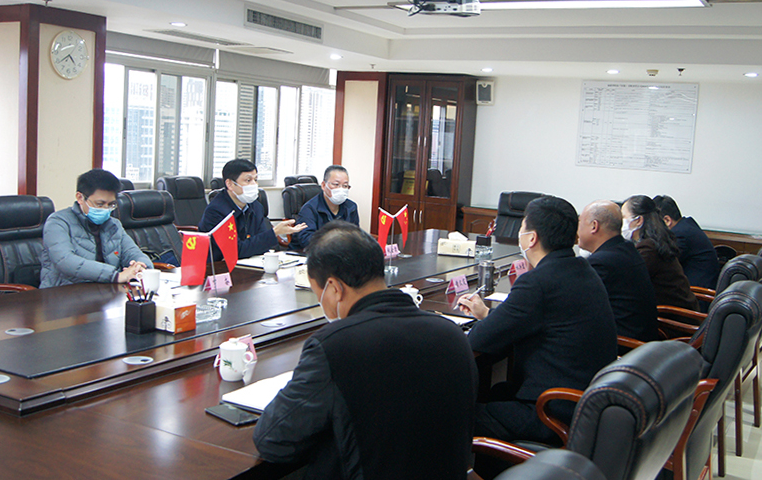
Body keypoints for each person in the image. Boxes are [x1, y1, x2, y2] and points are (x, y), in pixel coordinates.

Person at [254, 221, 478, 479]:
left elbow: (273, 440)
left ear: (334, 288)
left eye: (319, 295)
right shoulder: (452, 334)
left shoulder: (334, 346)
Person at [459, 196, 616, 446]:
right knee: (497, 392)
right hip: (582, 404)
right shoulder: (583, 269)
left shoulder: (538, 282)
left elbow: (478, 340)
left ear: (531, 238)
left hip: (550, 413)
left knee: (451, 415)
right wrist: (488, 315)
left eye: (521, 227)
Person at [40, 169, 152, 288]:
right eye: (100, 204)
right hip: (63, 292)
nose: (105, 209)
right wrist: (115, 276)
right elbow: (65, 261)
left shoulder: (114, 225)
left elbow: (133, 252)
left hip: (106, 291)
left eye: (111, 204)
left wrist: (140, 266)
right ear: (80, 198)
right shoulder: (58, 222)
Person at [577, 200, 659, 342]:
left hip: (625, 345)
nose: (576, 230)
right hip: (641, 340)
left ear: (594, 226)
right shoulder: (626, 249)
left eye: (579, 223)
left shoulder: (601, 262)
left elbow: (577, 307)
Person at [199, 159, 306, 260]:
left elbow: (263, 244)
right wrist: (274, 233)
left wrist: (263, 241)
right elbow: (235, 251)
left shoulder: (255, 206)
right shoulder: (216, 211)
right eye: (248, 180)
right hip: (219, 267)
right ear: (230, 184)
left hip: (251, 262)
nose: (254, 184)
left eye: (255, 179)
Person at [621, 195, 699, 311]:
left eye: (623, 217)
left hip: (674, 317)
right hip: (680, 309)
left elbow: (628, 281)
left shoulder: (649, 248)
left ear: (638, 220)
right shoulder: (656, 241)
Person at [653, 195, 720, 290]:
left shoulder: (680, 235)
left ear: (667, 220)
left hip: (698, 293)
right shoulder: (686, 226)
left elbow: (663, 267)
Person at [289, 165, 359, 251]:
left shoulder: (351, 207)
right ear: (323, 185)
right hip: (307, 254)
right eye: (336, 184)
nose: (341, 189)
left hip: (339, 253)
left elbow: (355, 235)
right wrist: (337, 243)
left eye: (345, 186)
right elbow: (307, 240)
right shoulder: (309, 209)